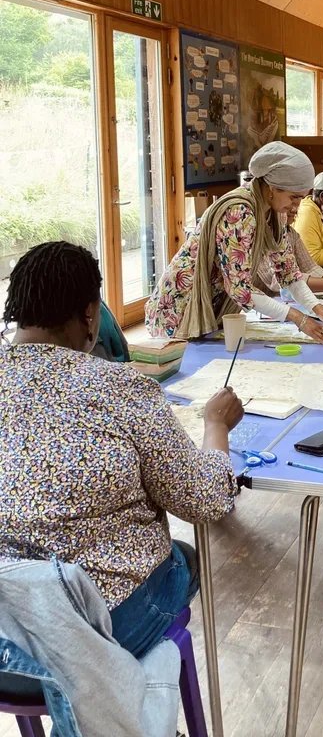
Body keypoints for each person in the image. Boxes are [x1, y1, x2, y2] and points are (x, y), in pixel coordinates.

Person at [0, 241, 244, 657]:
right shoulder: (121, 388)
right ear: (91, 315)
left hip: (8, 627)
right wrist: (216, 426)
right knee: (183, 557)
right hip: (97, 625)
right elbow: (206, 501)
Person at [146, 142, 323, 344]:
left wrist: (317, 308)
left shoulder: (273, 214)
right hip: (182, 305)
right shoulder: (239, 212)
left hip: (215, 302)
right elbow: (240, 288)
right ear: (272, 188)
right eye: (294, 197)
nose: (297, 206)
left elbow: (288, 274)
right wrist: (298, 318)